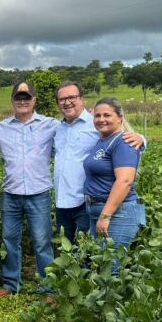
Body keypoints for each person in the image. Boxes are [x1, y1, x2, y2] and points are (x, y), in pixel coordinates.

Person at [53, 81, 144, 246]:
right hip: (64, 201)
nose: (67, 102)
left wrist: (141, 139)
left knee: (88, 254)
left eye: (72, 97)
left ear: (82, 99)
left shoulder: (96, 124)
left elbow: (126, 150)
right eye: (62, 99)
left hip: (86, 202)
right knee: (69, 251)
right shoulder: (57, 128)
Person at [0, 82, 58, 298]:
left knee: (42, 242)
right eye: (18, 98)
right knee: (10, 240)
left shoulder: (51, 125)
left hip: (39, 194)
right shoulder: (0, 129)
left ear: (34, 100)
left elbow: (77, 135)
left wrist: (139, 138)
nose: (22, 101)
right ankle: (12, 285)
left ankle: (47, 288)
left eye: (27, 97)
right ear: (12, 101)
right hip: (11, 194)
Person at [83, 97, 146, 275]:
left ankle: (114, 302)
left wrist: (105, 215)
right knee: (104, 263)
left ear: (120, 118)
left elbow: (125, 181)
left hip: (118, 213)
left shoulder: (124, 141)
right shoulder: (103, 139)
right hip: (99, 209)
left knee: (111, 267)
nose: (101, 119)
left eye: (107, 115)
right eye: (97, 115)